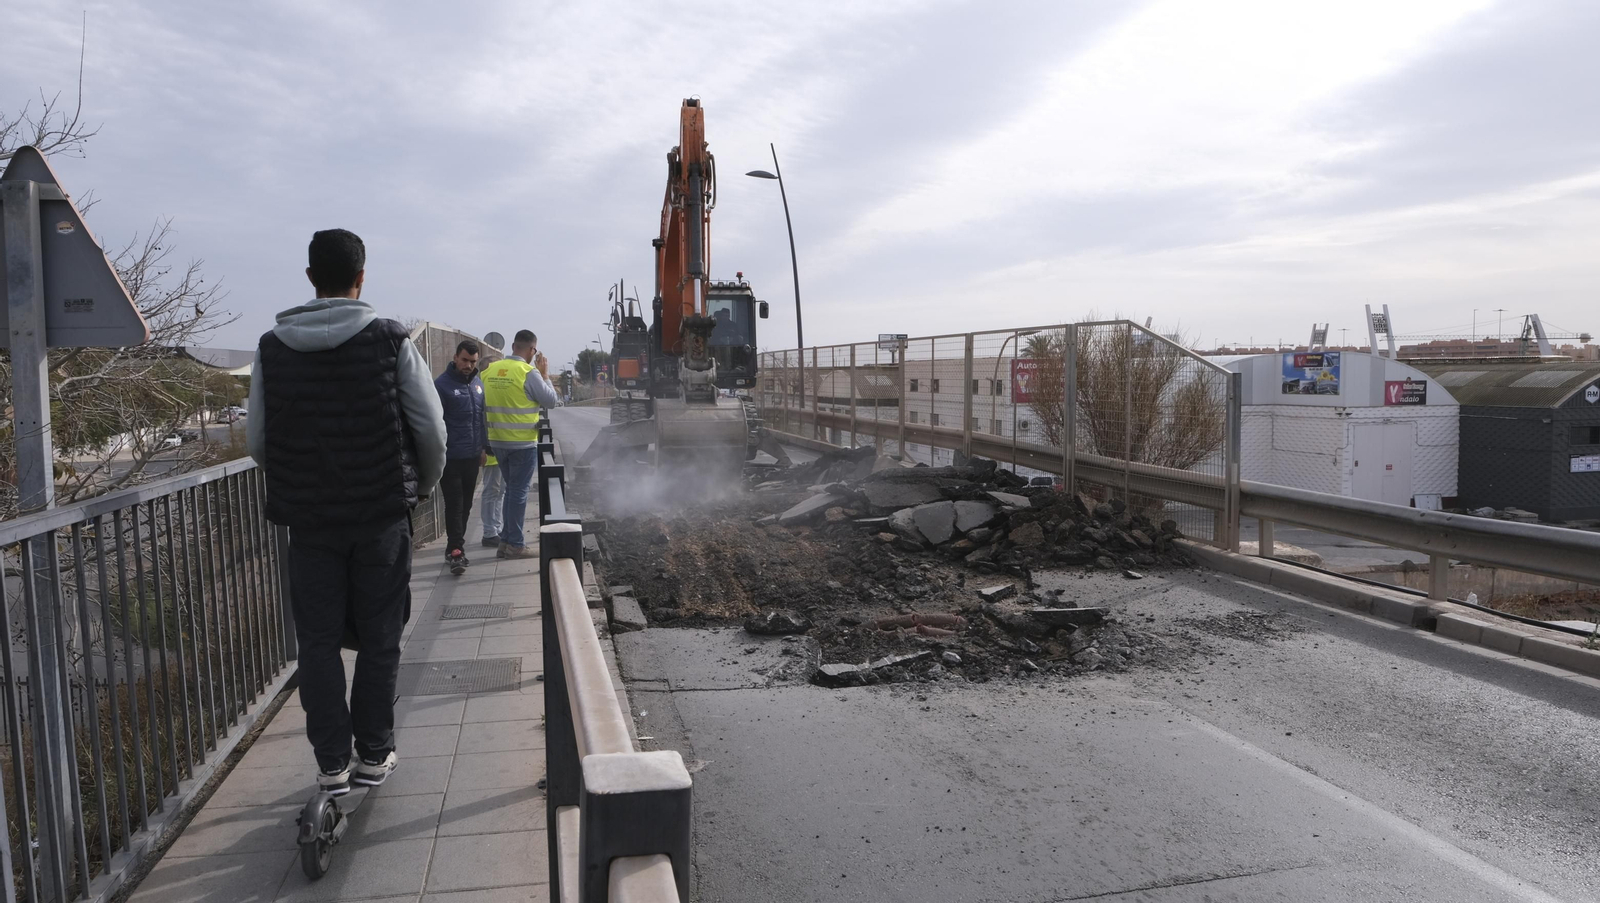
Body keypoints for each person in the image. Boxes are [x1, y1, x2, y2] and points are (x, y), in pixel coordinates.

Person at [246, 228, 446, 796]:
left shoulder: (272, 345)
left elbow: (258, 442)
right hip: (381, 513)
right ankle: (374, 755)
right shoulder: (388, 338)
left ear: (310, 278)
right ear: (362, 277)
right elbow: (430, 428)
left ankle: (331, 764)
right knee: (381, 638)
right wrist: (422, 485)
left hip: (310, 523)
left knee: (317, 642)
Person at [480, 329, 559, 558]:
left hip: (497, 443)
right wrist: (545, 375)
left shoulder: (489, 370)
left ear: (513, 346)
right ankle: (515, 543)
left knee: (510, 490)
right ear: (532, 350)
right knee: (518, 493)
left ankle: (505, 541)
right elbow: (551, 401)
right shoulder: (528, 372)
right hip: (522, 444)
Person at [434, 339, 489, 573]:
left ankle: (454, 545)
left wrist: (484, 448)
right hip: (450, 458)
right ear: (456, 357)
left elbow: (481, 419)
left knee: (466, 505)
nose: (468, 365)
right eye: (465, 360)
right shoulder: (441, 385)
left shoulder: (477, 384)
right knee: (455, 504)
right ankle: (456, 550)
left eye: (473, 361)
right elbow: (433, 423)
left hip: (472, 456)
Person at [479, 451, 504, 547]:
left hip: (500, 454)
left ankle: (496, 528)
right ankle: (489, 532)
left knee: (500, 492)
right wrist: (482, 450)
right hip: (491, 456)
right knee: (491, 493)